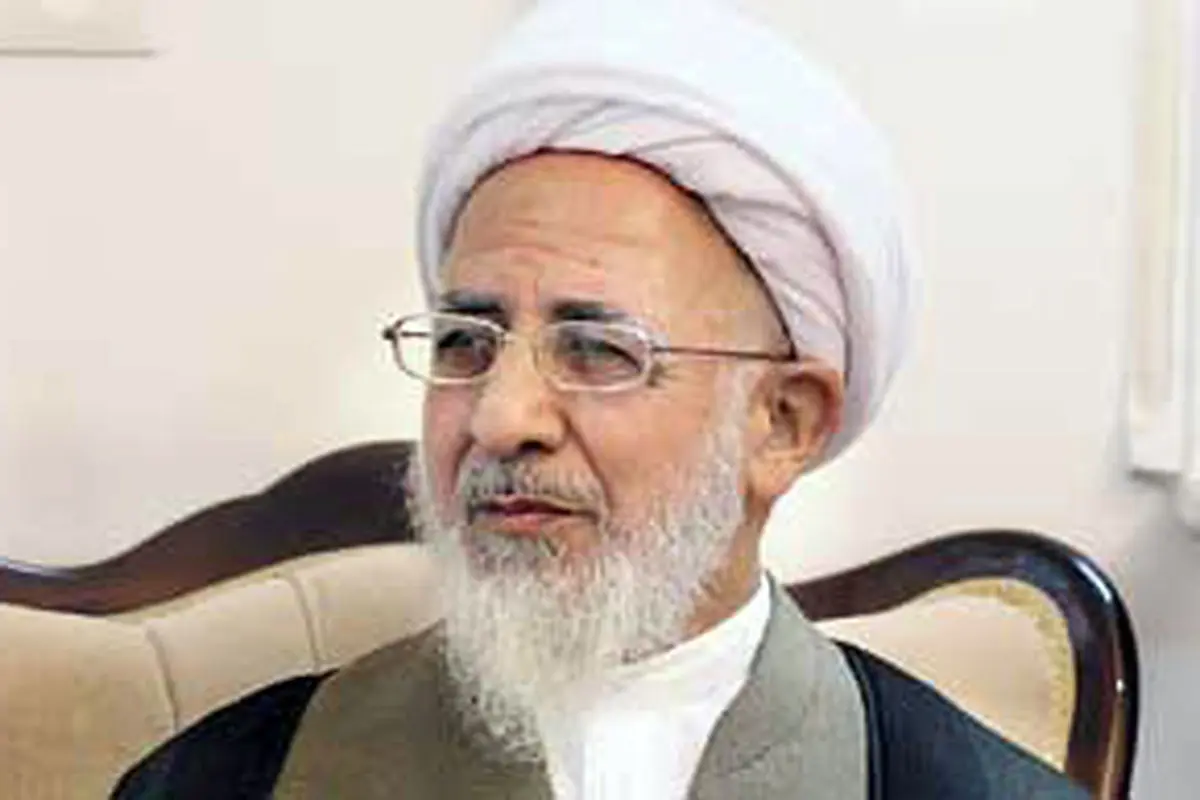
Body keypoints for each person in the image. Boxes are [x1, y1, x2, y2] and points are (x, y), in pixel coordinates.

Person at [114, 0, 1087, 797]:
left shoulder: (969, 786)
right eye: (464, 342)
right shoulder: (219, 780)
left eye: (595, 349)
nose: (500, 418)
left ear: (782, 422)